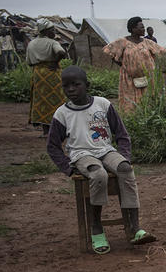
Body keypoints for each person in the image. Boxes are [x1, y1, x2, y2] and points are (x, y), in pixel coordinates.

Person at [46, 66, 156, 254]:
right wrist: (68, 168)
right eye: (66, 86)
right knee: (98, 174)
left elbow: (121, 134)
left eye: (76, 84)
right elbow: (52, 146)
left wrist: (124, 156)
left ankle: (135, 227)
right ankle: (96, 227)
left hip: (106, 150)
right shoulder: (62, 114)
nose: (71, 89)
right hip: (82, 155)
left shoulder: (102, 104)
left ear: (87, 85)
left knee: (125, 169)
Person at [102, 16, 165, 114]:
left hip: (147, 78)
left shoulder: (147, 42)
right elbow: (110, 52)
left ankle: (147, 116)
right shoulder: (122, 42)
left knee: (148, 100)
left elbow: (159, 51)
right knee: (130, 102)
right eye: (141, 27)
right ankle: (131, 118)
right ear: (133, 29)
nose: (144, 29)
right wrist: (123, 65)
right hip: (129, 78)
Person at [26, 19, 67, 137]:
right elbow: (61, 53)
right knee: (57, 100)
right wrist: (55, 62)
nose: (54, 32)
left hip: (38, 74)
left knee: (41, 101)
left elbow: (29, 62)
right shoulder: (52, 42)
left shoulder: (32, 43)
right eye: (52, 30)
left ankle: (46, 132)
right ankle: (59, 129)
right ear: (46, 31)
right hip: (52, 73)